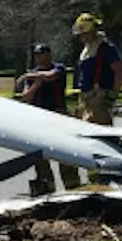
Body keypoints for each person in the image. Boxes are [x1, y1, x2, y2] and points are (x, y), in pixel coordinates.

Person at [14, 42, 81, 194]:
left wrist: (27, 76)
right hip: (39, 118)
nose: (39, 57)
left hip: (58, 115)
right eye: (36, 55)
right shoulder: (34, 75)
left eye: (41, 54)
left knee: (65, 155)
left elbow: (51, 76)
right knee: (40, 157)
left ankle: (74, 188)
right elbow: (26, 96)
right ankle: (47, 188)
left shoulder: (59, 68)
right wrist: (35, 84)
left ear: (49, 54)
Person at [72, 12, 122, 125]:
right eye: (81, 34)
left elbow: (119, 71)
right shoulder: (87, 50)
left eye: (85, 34)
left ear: (94, 30)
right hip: (85, 98)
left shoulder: (106, 48)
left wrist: (113, 94)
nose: (83, 37)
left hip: (98, 97)